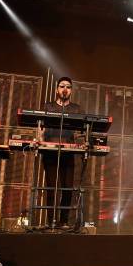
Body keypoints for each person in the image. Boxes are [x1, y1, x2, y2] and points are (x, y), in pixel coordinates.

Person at [41, 76, 81, 227]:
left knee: (67, 187)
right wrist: (39, 139)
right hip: (50, 151)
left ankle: (63, 221)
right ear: (57, 89)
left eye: (68, 87)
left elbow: (81, 130)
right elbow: (41, 126)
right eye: (62, 86)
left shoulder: (76, 109)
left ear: (71, 91)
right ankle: (50, 220)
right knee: (52, 187)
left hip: (68, 151)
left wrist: (81, 140)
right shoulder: (48, 106)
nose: (65, 89)